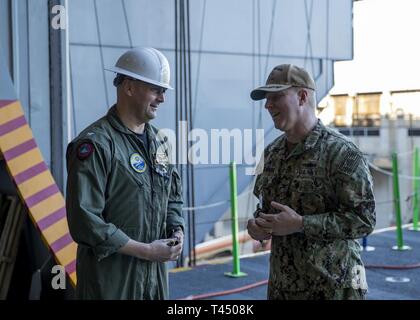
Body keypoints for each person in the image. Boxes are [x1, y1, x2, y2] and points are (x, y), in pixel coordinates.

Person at [247, 64, 376, 300]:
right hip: (282, 288)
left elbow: (364, 220)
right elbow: (265, 210)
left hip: (334, 288)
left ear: (302, 96)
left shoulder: (342, 153)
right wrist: (258, 227)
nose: (267, 105)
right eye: (266, 99)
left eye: (276, 96)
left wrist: (301, 224)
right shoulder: (271, 154)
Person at [66, 47, 184, 300]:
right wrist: (146, 251)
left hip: (153, 282)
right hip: (110, 283)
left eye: (163, 91)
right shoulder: (95, 145)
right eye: (156, 89)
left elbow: (173, 198)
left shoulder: (160, 143)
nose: (162, 98)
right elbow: (84, 222)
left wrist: (177, 231)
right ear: (129, 87)